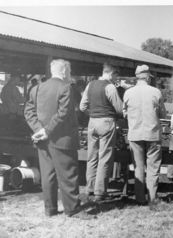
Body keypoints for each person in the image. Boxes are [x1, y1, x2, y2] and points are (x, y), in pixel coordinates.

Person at [24, 59, 87, 218]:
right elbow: (63, 113)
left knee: (48, 175)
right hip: (62, 139)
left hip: (43, 140)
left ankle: (50, 209)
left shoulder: (36, 88)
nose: (70, 75)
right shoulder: (66, 88)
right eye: (70, 71)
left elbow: (28, 111)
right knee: (68, 174)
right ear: (65, 71)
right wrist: (46, 130)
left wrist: (39, 130)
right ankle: (72, 209)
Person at [123, 64, 166, 205]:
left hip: (135, 134)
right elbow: (162, 113)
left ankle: (140, 198)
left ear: (137, 77)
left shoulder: (128, 93)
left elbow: (124, 113)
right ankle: (152, 197)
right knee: (153, 167)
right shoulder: (156, 92)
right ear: (147, 77)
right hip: (152, 133)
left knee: (138, 167)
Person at [79, 64, 123, 202]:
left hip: (92, 122)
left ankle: (89, 188)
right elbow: (119, 109)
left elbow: (82, 107)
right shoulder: (110, 87)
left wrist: (92, 114)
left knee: (92, 156)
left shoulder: (90, 85)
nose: (116, 79)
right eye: (116, 76)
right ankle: (100, 191)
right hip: (106, 122)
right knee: (104, 157)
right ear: (111, 74)